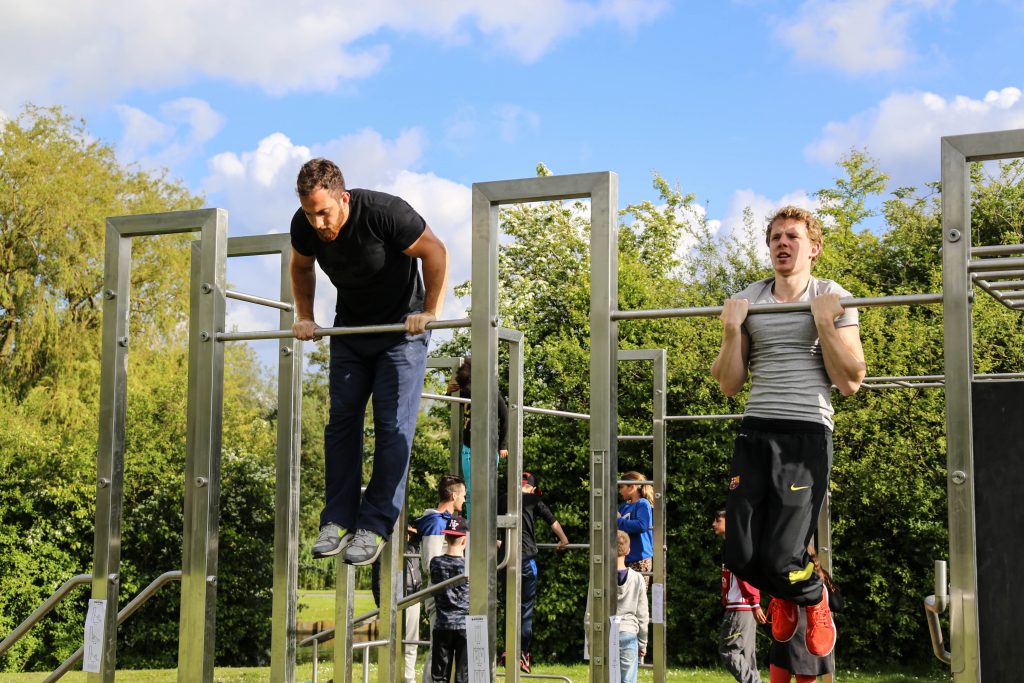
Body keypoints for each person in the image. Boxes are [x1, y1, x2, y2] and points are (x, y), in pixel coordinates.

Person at [711, 205, 865, 658]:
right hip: (756, 430)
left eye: (792, 237)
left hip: (806, 432)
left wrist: (822, 321)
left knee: (782, 555)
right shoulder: (748, 298)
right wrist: (729, 330)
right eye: (776, 236)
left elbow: (851, 381)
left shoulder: (833, 295)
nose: (782, 243)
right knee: (738, 555)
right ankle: (786, 594)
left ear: (813, 248)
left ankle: (814, 598)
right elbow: (728, 384)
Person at [291, 158, 449, 566]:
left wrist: (429, 311)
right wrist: (305, 317)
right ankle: (337, 520)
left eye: (324, 211)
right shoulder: (304, 226)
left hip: (401, 331)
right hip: (352, 334)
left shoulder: (384, 213)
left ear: (343, 198)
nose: (318, 222)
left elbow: (435, 252)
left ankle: (375, 524)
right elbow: (301, 266)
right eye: (310, 214)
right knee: (341, 423)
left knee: (393, 426)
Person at [498, 471, 569, 673]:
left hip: (505, 561)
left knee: (509, 606)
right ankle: (521, 653)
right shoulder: (532, 499)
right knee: (525, 608)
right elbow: (552, 521)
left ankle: (507, 650)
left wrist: (498, 542)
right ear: (532, 487)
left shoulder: (504, 499)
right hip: (527, 560)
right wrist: (564, 540)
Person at [413, 474, 466, 683]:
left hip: (454, 596)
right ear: (453, 496)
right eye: (463, 495)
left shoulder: (447, 522)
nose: (464, 500)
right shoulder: (436, 522)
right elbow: (430, 564)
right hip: (441, 598)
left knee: (445, 655)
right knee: (438, 654)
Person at [766, 549, 843, 683]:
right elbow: (838, 605)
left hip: (787, 630)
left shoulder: (785, 575)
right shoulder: (820, 576)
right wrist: (824, 579)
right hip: (811, 634)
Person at [447, 356, 508, 519]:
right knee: (470, 489)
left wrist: (503, 445)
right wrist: (449, 392)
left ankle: (486, 525)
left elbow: (505, 417)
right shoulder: (465, 391)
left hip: (488, 446)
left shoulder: (492, 392)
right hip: (468, 447)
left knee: (487, 489)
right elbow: (454, 407)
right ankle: (473, 526)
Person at [713, 508, 766, 683]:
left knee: (728, 651)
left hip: (740, 608)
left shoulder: (736, 547)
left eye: (717, 520)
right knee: (746, 655)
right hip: (744, 608)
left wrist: (754, 602)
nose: (713, 524)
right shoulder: (737, 544)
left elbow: (745, 575)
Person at [370, 527, 423, 683]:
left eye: (408, 534)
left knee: (412, 642)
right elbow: (378, 581)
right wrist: (382, 605)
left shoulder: (413, 549)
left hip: (413, 598)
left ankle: (409, 678)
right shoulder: (384, 553)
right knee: (392, 642)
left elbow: (426, 531)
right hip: (395, 602)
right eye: (403, 533)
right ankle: (390, 676)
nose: (406, 536)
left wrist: (410, 527)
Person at [429, 515, 470, 683]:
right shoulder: (469, 566)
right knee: (463, 677)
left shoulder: (435, 563)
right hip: (464, 626)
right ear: (464, 541)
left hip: (442, 624)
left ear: (446, 537)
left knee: (439, 677)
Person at [615, 530, 650, 683]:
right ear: (628, 550)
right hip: (628, 632)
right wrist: (643, 643)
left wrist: (590, 641)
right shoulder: (637, 578)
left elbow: (590, 612)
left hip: (606, 632)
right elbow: (642, 614)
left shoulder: (599, 576)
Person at [616, 471, 654, 590]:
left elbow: (642, 525)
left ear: (632, 487)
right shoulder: (624, 507)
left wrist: (618, 520)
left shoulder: (643, 504)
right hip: (625, 558)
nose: (620, 491)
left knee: (638, 595)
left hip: (640, 559)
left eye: (622, 487)